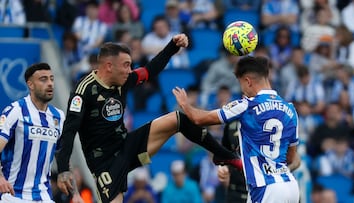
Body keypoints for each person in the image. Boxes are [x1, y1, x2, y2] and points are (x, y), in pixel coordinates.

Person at [55, 33, 242, 203]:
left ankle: (224, 155)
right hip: (104, 163)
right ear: (109, 66)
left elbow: (149, 70)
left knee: (178, 119)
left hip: (127, 145)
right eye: (126, 65)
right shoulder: (83, 90)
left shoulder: (124, 79)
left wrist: (172, 47)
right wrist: (63, 169)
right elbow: (69, 132)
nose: (130, 70)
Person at [173, 56, 301, 203]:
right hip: (290, 186)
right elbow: (291, 158)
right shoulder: (290, 109)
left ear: (248, 81)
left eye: (241, 84)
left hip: (265, 188)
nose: (243, 90)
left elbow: (199, 119)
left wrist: (185, 105)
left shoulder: (247, 105)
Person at [0, 63, 68, 202]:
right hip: (12, 196)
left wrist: (66, 178)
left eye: (51, 79)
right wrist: (0, 178)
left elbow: (61, 152)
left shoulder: (59, 116)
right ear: (30, 85)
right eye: (43, 79)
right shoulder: (16, 111)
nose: (50, 84)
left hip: (43, 196)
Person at [217, 121, 247, 203]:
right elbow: (224, 153)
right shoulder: (231, 125)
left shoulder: (261, 120)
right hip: (235, 191)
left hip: (258, 189)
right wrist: (223, 167)